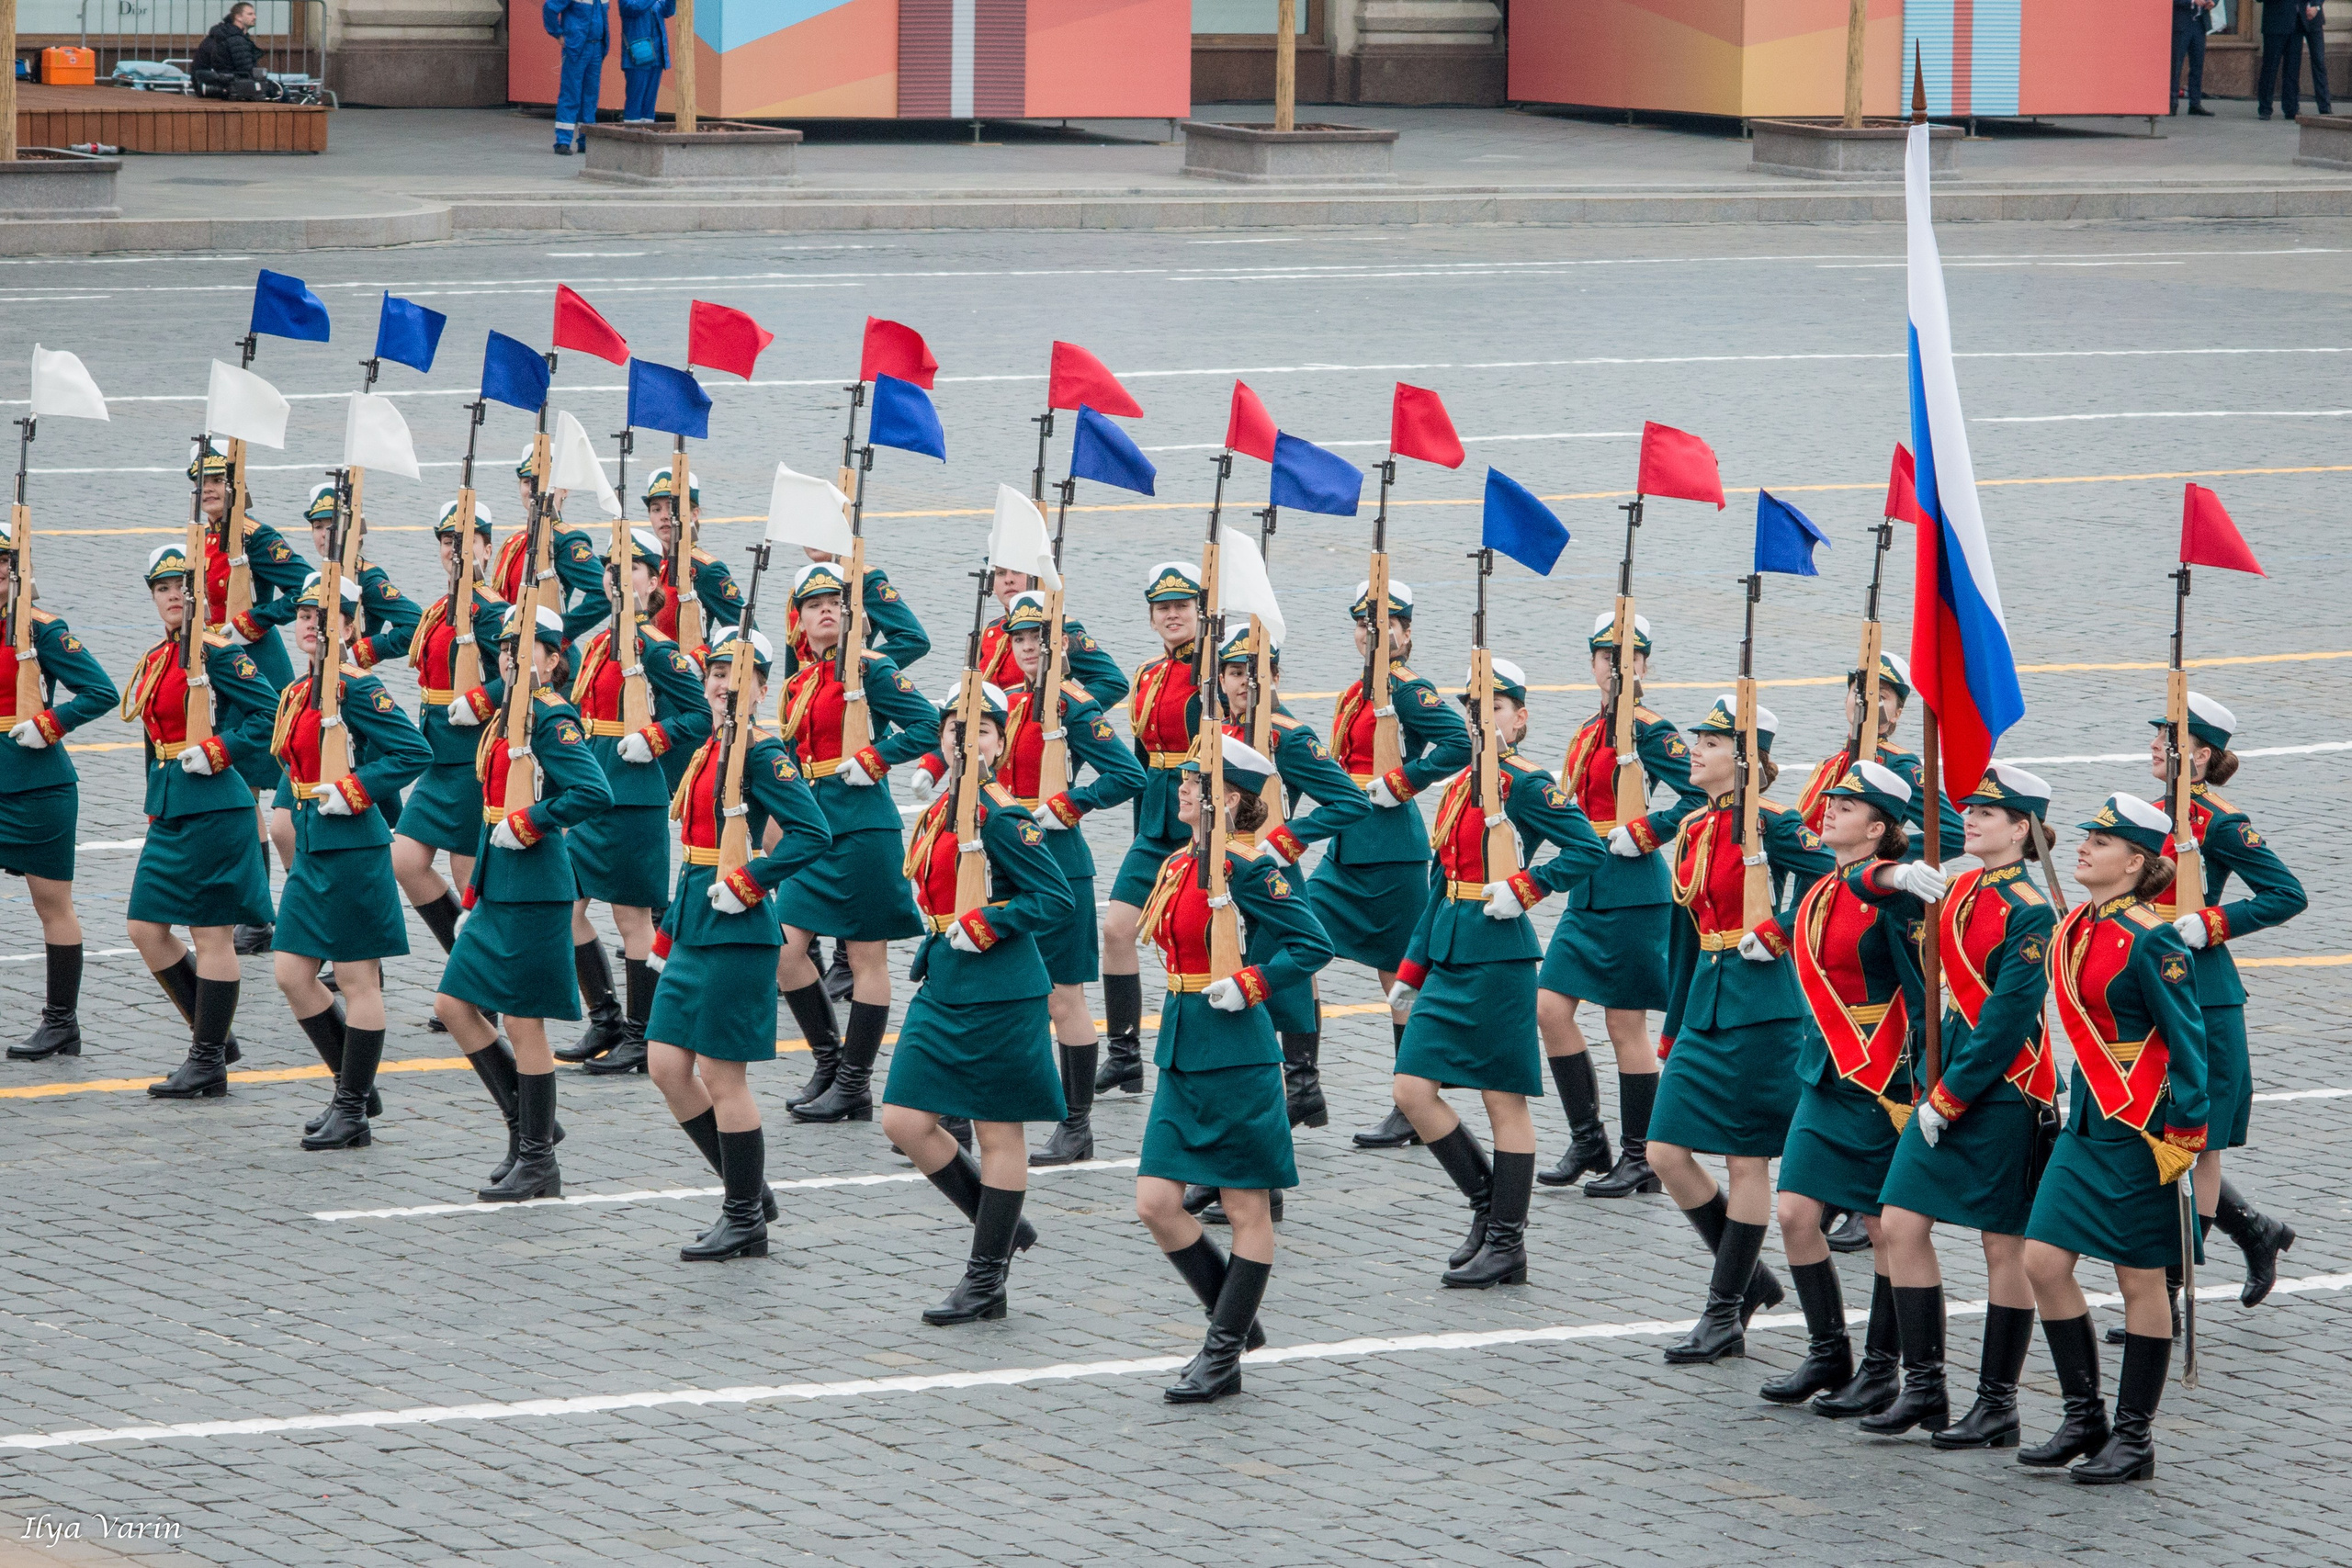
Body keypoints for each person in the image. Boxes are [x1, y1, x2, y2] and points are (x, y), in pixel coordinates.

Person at [1389, 659, 1604, 1289]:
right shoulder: (1460, 785)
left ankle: (1507, 1242)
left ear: (1520, 717)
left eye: (1497, 710)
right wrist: (1413, 965)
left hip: (1499, 957)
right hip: (1451, 952)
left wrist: (1529, 885)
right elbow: (1440, 881)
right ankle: (1489, 1206)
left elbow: (1587, 847)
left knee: (1501, 1098)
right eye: (1475, 712)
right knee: (1411, 1090)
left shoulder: (1528, 785)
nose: (1484, 722)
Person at [1133, 738, 1332, 1404]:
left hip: (1238, 1050)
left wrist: (1252, 981)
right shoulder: (1180, 862)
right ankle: (1236, 1320)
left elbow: (1311, 943)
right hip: (1185, 1047)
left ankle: (1221, 1354)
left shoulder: (1249, 867)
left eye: (1196, 782)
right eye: (1186, 779)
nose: (1183, 789)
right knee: (1156, 1202)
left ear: (1233, 800)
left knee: (1246, 1205)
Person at [2019, 792, 2208, 1484]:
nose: (2085, 847)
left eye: (2101, 842)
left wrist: (2187, 1127)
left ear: (2134, 862)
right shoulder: (2077, 926)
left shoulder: (2152, 938)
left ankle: (2134, 1437)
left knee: (2138, 1275)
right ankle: (2083, 1415)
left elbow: (2189, 1037)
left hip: (2142, 1122)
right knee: (2042, 1258)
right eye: (2086, 838)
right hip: (2090, 1119)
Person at [917, 593, 1143, 1168]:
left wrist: (1068, 803)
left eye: (1040, 638)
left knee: (1063, 997)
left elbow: (1127, 773)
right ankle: (958, 1117)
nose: (1029, 648)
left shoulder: (1072, 705)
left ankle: (1076, 1125)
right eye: (1020, 640)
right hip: (1000, 866)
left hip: (1057, 862)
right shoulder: (1009, 702)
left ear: (1062, 642)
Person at [1874, 763, 2059, 1450]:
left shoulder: (2030, 909)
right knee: (1898, 1222)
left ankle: (1997, 1402)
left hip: (2005, 1090)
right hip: (1947, 1081)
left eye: (1991, 812)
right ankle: (1924, 1385)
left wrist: (1948, 1096)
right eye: (1972, 808)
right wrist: (1898, 882)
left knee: (2001, 1244)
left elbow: (2009, 1018)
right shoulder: (1958, 888)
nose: (1972, 818)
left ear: (2023, 829)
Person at [1645, 697, 1831, 1363]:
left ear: (1746, 759)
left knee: (1746, 1159)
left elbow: (1831, 882)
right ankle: (1748, 1277)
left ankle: (1723, 1311)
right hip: (1705, 1004)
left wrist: (1777, 930)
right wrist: (1672, 1024)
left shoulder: (1777, 824)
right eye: (1698, 739)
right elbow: (1682, 934)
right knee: (1664, 1151)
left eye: (1713, 741)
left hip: (1763, 1007)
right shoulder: (1695, 824)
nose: (1695, 750)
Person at [884, 681, 1074, 1323]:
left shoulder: (1001, 814)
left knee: (998, 1132)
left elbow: (1054, 899)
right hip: (944, 980)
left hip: (1000, 988)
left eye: (982, 730)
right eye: (955, 729)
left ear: (999, 742)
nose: (967, 739)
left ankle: (986, 1276)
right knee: (905, 1121)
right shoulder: (944, 808)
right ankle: (1001, 1220)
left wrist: (990, 920)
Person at [1760, 761, 1943, 1422]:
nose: (1831, 808)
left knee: (1880, 1224)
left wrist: (1928, 1089)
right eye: (1832, 799)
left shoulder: (1892, 899)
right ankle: (1828, 1349)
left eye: (1849, 805)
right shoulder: (1828, 883)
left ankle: (1880, 1368)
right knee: (1794, 1213)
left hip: (1881, 1078)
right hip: (1826, 1073)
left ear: (1878, 827)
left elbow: (1923, 1001)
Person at [645, 627, 833, 1260]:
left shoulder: (760, 750)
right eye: (715, 674)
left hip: (737, 927)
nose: (723, 684)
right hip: (697, 920)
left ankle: (744, 1214)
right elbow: (693, 849)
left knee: (723, 1075)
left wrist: (752, 881)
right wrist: (670, 928)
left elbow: (813, 832)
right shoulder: (711, 745)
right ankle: (746, 1186)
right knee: (667, 1066)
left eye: (738, 674)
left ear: (761, 685)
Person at [432, 605, 614, 1201]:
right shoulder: (506, 717)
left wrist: (535, 820)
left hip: (536, 886)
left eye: (527, 648)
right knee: (456, 1004)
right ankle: (527, 1124)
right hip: (499, 884)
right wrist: (475, 891)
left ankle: (537, 1159)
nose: (512, 657)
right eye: (506, 649)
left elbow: (592, 790)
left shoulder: (550, 717)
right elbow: (489, 817)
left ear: (554, 659)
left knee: (522, 1020)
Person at [2138, 694, 2305, 1324]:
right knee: (2151, 1132)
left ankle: (2168, 1297)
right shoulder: (2149, 815)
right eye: (2156, 736)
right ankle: (2254, 1229)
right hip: (2147, 990)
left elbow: (2286, 893)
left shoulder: (2220, 824)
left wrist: (2210, 922)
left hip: (2203, 994)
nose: (2155, 745)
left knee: (2196, 1143)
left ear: (2201, 754)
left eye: (2168, 737)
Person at [1537, 613, 1707, 1197]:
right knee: (1550, 1007)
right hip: (1588, 886)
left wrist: (1647, 830)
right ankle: (1589, 1139)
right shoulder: (1589, 730)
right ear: (1592, 664)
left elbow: (1698, 793)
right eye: (1606, 656)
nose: (1616, 666)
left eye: (1629, 656)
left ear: (1644, 664)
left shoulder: (1652, 730)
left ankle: (1640, 1157)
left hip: (1633, 891)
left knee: (1623, 1022)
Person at [266, 576, 431, 1149]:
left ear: (351, 627)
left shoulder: (358, 690)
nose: (312, 624)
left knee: (359, 980)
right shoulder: (298, 691)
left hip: (354, 849)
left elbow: (413, 750)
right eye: (306, 615)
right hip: (315, 846)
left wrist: (358, 788)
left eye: (326, 616)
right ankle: (353, 1085)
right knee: (291, 973)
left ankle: (353, 1107)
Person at [775, 561, 941, 1123]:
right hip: (812, 828)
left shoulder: (871, 669)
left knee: (868, 957)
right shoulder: (799, 682)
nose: (827, 609)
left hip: (864, 828)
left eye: (836, 603)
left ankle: (854, 1082)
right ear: (798, 619)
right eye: (815, 603)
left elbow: (931, 725)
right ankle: (828, 1060)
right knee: (783, 950)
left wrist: (875, 758)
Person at [1313, 581, 1471, 1151]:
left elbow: (1459, 741)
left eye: (1383, 625)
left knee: (1399, 980)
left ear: (1406, 632)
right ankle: (1301, 1079)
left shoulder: (1406, 688)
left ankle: (1413, 1100)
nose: (1370, 635)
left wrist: (1403, 782)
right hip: (1346, 846)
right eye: (1363, 625)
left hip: (1392, 850)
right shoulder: (1359, 691)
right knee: (1292, 941)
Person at [121, 545, 280, 1100]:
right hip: (172, 807)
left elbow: (269, 712)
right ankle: (214, 1031)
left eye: (179, 587)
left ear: (196, 596)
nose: (170, 596)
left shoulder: (214, 653)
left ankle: (208, 1058)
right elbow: (153, 736)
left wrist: (218, 749)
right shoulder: (160, 657)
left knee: (211, 935)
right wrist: (154, 800)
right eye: (161, 588)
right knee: (145, 927)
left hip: (216, 807)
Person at [555, 528, 711, 1077]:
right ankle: (605, 1017)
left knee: (631, 919)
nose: (617, 580)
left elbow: (699, 716)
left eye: (631, 571)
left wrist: (654, 739)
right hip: (591, 791)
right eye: (610, 571)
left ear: (651, 582)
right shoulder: (600, 643)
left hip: (632, 799)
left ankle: (643, 1035)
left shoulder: (656, 649)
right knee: (566, 909)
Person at [1215, 625, 1367, 1134]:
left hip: (1271, 873)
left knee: (1278, 978)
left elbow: (1350, 801)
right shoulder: (1221, 730)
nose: (1242, 684)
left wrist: (1289, 838)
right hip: (1227, 872)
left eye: (1252, 673)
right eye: (1233, 673)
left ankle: (1295, 1087)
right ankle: (1301, 1088)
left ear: (1274, 676)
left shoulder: (1288, 735)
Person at [190, 442, 314, 957]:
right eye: (203, 484)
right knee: (243, 798)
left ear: (236, 487)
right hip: (216, 674)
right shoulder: (202, 539)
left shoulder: (256, 537)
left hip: (255, 671)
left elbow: (304, 584)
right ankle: (258, 912)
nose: (210, 490)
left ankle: (291, 911)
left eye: (218, 481)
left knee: (262, 794)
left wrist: (253, 620)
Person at [0, 528, 119, 1062]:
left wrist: (50, 723)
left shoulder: (41, 630)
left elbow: (100, 691)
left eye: (4, 564)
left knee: (52, 903)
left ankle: (61, 1023)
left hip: (35, 783)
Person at [391, 500, 509, 1028]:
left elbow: (524, 669)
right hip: (439, 757)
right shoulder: (444, 607)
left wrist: (480, 701)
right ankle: (467, 972)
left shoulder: (490, 611)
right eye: (446, 542)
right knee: (406, 861)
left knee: (468, 879)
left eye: (465, 542)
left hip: (472, 759)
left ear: (486, 547)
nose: (454, 551)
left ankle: (477, 986)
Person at [264, 486, 422, 876]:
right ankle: (302, 893)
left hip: (350, 703)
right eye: (317, 526)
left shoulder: (368, 578)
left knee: (374, 829)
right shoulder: (313, 578)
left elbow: (413, 625)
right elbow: (293, 609)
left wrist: (361, 652)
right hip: (313, 693)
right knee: (284, 826)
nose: (323, 534)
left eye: (331, 525)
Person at [1095, 562, 1208, 1100]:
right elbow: (1142, 757)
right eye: (1162, 607)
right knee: (1117, 931)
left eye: (1181, 606)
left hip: (1206, 821)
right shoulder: (1148, 674)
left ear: (1201, 612)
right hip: (1157, 822)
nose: (1171, 615)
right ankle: (1124, 1055)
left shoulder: (1214, 672)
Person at [494, 447, 611, 645]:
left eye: (545, 482)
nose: (534, 489)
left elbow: (605, 593)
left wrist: (556, 632)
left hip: (552, 661)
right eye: (527, 482)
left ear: (564, 490)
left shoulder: (566, 542)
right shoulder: (515, 542)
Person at [641, 468, 744, 658]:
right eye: (656, 509)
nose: (664, 516)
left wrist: (698, 659)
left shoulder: (706, 570)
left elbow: (744, 632)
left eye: (673, 508)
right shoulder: (648, 564)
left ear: (694, 514)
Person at [543, 0, 609, 153]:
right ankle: (563, 142)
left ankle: (586, 139)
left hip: (596, 48)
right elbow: (550, 8)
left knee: (590, 96)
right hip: (577, 47)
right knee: (571, 93)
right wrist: (557, 33)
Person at [2261, 0, 2333, 119]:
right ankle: (2265, 108)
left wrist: (2317, 6)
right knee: (2270, 66)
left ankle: (2291, 108)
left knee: (2293, 67)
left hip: (2299, 21)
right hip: (2276, 21)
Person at [190, 3, 272, 99]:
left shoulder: (219, 35)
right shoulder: (236, 39)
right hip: (228, 89)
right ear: (238, 17)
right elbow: (247, 72)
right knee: (281, 92)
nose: (255, 17)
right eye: (250, 14)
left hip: (207, 87)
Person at [616, 0, 674, 126]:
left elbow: (668, 11)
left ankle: (647, 131)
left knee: (650, 102)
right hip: (638, 56)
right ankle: (632, 134)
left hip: (657, 56)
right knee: (635, 99)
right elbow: (634, 8)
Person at [2173, 0, 2217, 115]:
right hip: (2182, 22)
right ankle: (2171, 102)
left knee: (2197, 65)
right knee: (2176, 64)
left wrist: (2213, 2)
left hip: (2199, 23)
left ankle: (2195, 103)